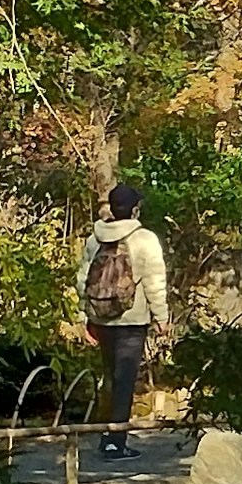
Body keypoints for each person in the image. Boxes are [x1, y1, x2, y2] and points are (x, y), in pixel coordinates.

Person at [76, 180, 168, 454]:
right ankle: (115, 442)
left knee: (110, 378)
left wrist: (85, 317)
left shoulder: (95, 239)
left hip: (102, 319)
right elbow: (154, 282)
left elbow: (83, 279)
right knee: (124, 380)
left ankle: (108, 434)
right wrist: (161, 317)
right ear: (135, 210)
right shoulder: (144, 239)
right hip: (132, 320)